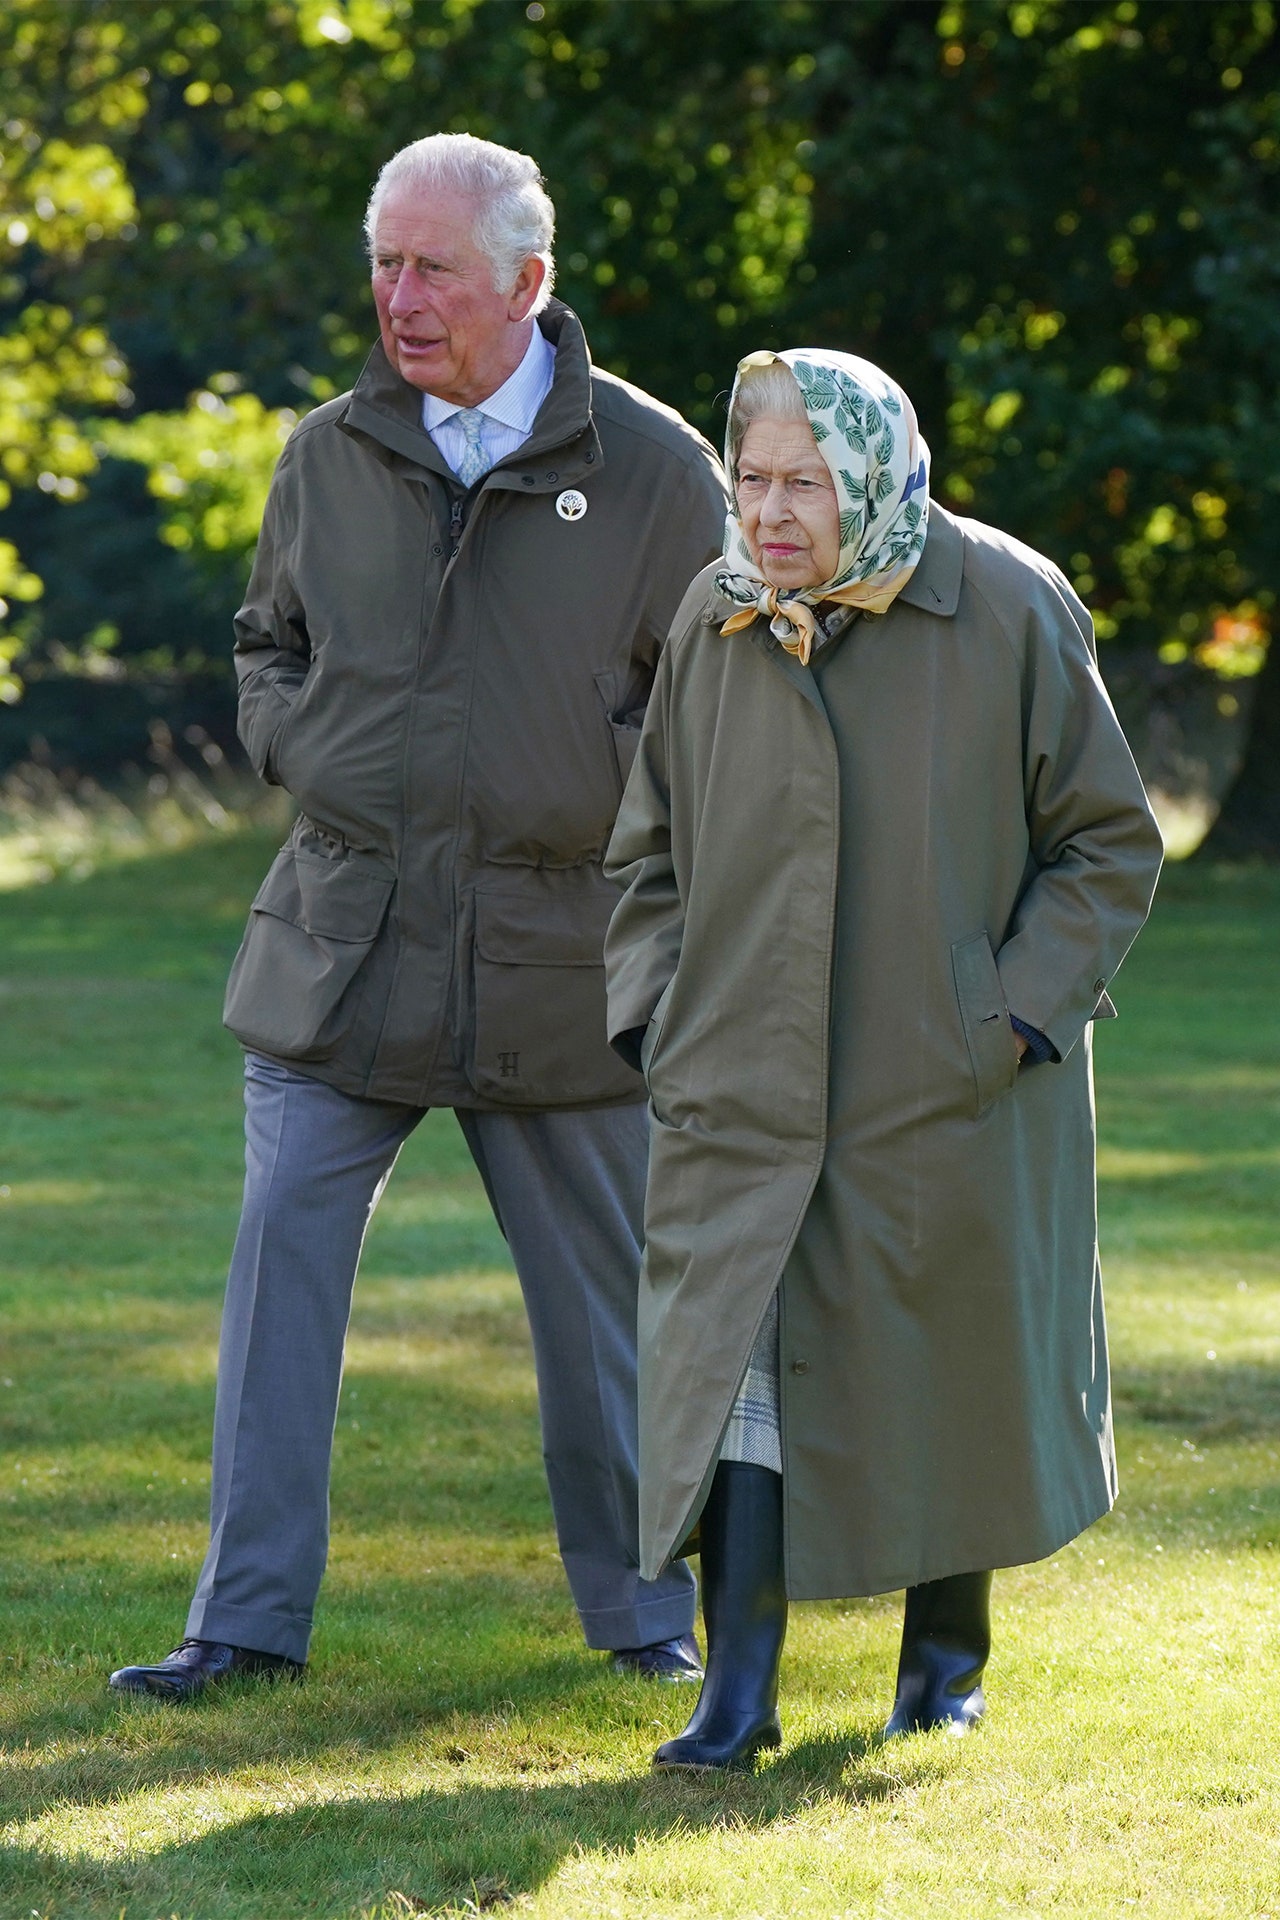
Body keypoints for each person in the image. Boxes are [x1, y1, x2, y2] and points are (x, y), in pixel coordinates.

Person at [109, 133, 727, 1701]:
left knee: (605, 1326)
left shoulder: (656, 472)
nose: (397, 296)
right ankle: (242, 1626)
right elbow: (268, 642)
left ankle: (646, 1621)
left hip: (560, 964)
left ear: (528, 282)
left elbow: (716, 711)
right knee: (275, 1287)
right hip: (340, 949)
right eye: (382, 262)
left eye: (429, 267)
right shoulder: (328, 451)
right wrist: (297, 744)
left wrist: (602, 788)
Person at [603, 346, 1164, 1771]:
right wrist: (657, 1009)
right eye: (753, 479)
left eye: (804, 481)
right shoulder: (718, 610)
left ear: (871, 472)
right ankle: (735, 1694)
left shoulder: (1009, 604)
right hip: (737, 1076)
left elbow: (1107, 845)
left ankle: (945, 1665)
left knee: (944, 1361)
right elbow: (648, 847)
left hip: (944, 1081)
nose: (773, 512)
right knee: (734, 1364)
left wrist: (1013, 1018)